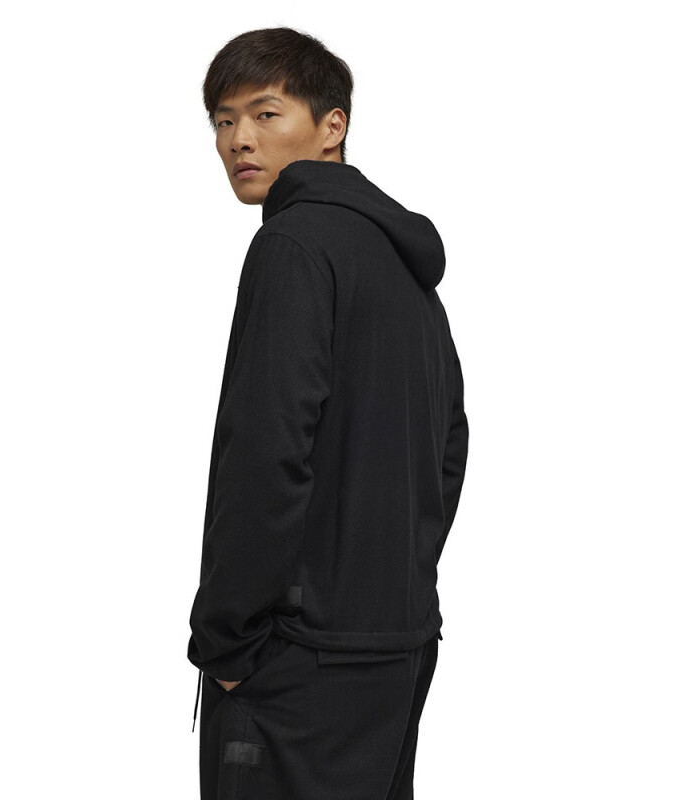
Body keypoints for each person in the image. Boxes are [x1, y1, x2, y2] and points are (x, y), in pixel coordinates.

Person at [186, 26, 469, 800]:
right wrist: (394, 584)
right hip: (396, 647)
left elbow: (268, 450)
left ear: (331, 125)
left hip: (296, 665)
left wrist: (227, 642)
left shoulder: (295, 246)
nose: (238, 140)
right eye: (222, 120)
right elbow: (448, 444)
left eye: (265, 113)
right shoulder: (404, 266)